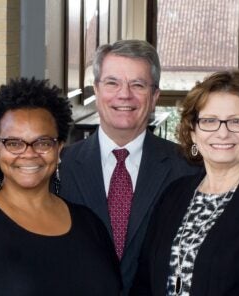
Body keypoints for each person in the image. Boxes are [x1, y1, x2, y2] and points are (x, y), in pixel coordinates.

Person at [0, 78, 122, 295]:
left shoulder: (90, 224)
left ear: (59, 149)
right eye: (14, 143)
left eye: (42, 143)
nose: (29, 153)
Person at [131, 70, 239, 296]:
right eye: (209, 121)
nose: (223, 133)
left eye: (237, 121)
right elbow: (144, 282)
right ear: (193, 132)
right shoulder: (174, 193)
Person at [58, 39, 199, 292]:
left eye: (138, 84)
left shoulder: (188, 169)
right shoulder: (60, 167)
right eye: (112, 83)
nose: (124, 94)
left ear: (155, 96)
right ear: (96, 90)